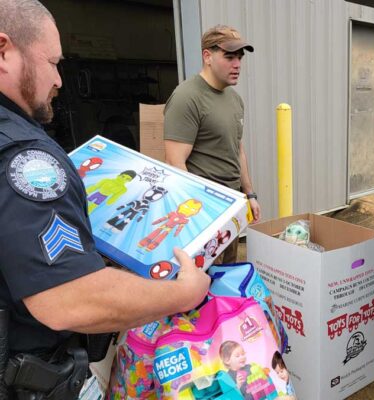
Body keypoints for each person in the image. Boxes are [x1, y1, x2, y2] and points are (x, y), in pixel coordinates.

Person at [0, 1, 210, 396]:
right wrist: (182, 293)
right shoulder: (25, 160)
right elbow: (68, 298)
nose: (60, 80)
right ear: (4, 50)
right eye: (53, 63)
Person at [163, 24, 261, 265]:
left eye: (239, 57)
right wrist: (198, 216)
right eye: (229, 57)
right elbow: (175, 163)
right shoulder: (187, 97)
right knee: (203, 284)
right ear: (207, 56)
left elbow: (237, 148)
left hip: (232, 208)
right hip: (204, 213)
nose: (237, 64)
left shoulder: (234, 99)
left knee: (227, 274)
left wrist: (249, 194)